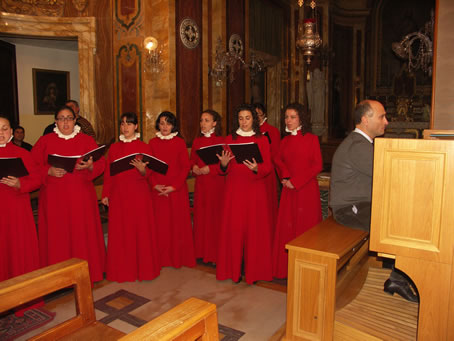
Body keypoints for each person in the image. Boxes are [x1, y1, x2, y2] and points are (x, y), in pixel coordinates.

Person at [329, 99, 418, 302]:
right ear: (365, 120)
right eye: (381, 116)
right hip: (349, 209)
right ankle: (397, 278)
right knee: (400, 225)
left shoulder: (362, 143)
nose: (386, 122)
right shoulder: (357, 145)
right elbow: (389, 175)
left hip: (362, 204)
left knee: (404, 219)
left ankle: (394, 272)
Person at [32, 105, 106, 283]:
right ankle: (58, 276)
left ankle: (87, 272)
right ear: (55, 121)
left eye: (69, 118)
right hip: (54, 198)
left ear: (75, 120)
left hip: (81, 196)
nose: (65, 122)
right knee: (58, 236)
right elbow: (31, 166)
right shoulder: (45, 141)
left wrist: (89, 166)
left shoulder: (86, 140)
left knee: (82, 234)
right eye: (61, 118)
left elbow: (101, 163)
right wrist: (48, 171)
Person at [216, 104, 273, 284]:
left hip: (255, 190)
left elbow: (268, 167)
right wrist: (224, 164)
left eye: (247, 118)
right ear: (237, 120)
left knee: (254, 232)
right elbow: (224, 169)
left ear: (253, 119)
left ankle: (253, 273)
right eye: (241, 118)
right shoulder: (229, 139)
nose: (244, 121)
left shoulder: (261, 140)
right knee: (234, 231)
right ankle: (234, 272)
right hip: (234, 190)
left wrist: (257, 168)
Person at [101, 112, 161, 282]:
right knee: (121, 233)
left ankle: (143, 270)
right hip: (119, 195)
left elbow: (149, 173)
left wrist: (142, 170)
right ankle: (122, 269)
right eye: (122, 124)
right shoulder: (113, 148)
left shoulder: (144, 147)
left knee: (140, 232)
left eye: (129, 124)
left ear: (136, 126)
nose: (125, 127)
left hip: (139, 194)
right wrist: (105, 194)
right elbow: (109, 174)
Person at [272, 103, 323, 278]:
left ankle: (307, 271)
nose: (289, 120)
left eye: (293, 117)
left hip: (306, 191)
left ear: (301, 118)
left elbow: (317, 165)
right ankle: (286, 269)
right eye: (286, 117)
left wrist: (296, 181)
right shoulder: (284, 141)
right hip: (288, 191)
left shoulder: (311, 139)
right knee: (288, 229)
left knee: (305, 230)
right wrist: (285, 178)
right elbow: (278, 160)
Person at [148, 111, 196, 268]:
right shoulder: (152, 143)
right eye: (161, 123)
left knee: (177, 227)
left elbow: (185, 167)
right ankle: (161, 259)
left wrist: (173, 187)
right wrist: (155, 185)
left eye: (168, 123)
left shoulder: (179, 143)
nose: (164, 126)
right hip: (158, 189)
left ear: (173, 125)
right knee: (160, 227)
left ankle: (177, 258)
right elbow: (149, 168)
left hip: (176, 190)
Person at [0, 115, 41, 282]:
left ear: (11, 131)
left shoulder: (22, 153)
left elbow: (37, 179)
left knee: (18, 251)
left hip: (17, 210)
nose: (1, 132)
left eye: (4, 128)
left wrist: (19, 183)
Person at [190, 109, 225, 264]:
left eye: (206, 120)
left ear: (215, 123)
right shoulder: (197, 141)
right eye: (201, 120)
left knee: (214, 218)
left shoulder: (222, 141)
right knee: (201, 217)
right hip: (201, 185)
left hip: (216, 184)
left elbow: (225, 165)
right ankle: (201, 252)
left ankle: (215, 253)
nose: (202, 124)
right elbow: (191, 161)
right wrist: (194, 168)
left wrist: (210, 169)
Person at [253, 103, 280, 232]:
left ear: (264, 115)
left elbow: (275, 153)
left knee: (267, 204)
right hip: (252, 171)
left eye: (258, 114)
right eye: (254, 115)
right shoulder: (248, 131)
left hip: (267, 171)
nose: (256, 117)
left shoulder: (272, 130)